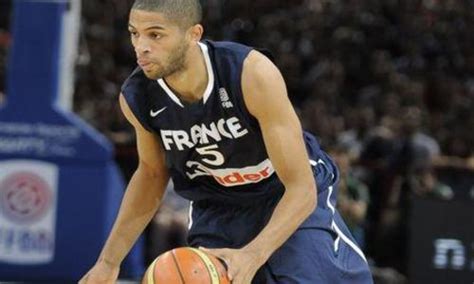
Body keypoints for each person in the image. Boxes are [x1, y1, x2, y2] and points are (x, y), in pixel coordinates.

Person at [79, 0, 373, 283]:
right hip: (219, 204)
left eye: (155, 34)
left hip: (282, 191)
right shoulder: (138, 97)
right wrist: (108, 262)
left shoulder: (251, 73)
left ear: (194, 34)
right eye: (134, 33)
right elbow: (152, 173)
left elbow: (301, 188)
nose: (141, 46)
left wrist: (252, 255)